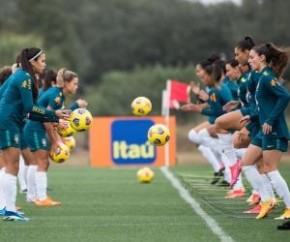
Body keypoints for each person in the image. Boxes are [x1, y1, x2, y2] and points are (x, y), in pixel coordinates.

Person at [0, 47, 70, 221]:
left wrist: (54, 118)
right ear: (33, 62)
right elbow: (30, 108)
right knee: (12, 165)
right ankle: (8, 210)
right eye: (43, 61)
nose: (45, 65)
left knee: (10, 165)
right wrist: (54, 114)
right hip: (7, 122)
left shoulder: (23, 76)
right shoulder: (24, 77)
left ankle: (6, 208)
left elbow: (30, 112)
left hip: (11, 122)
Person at [236, 43, 290, 220]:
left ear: (262, 58)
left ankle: (289, 207)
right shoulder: (260, 77)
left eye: (252, 57)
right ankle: (266, 201)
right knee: (247, 162)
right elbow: (265, 106)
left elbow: (285, 96)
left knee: (270, 169)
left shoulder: (267, 77)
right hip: (264, 129)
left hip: (273, 129)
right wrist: (252, 117)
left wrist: (270, 119)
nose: (249, 61)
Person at [24, 68, 87, 206]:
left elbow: (52, 118)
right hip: (35, 128)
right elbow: (46, 118)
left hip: (37, 128)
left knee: (40, 163)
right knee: (41, 163)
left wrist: (58, 134)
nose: (76, 86)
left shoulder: (60, 95)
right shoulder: (56, 96)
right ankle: (41, 198)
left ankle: (33, 197)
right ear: (66, 83)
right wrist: (55, 141)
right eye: (74, 83)